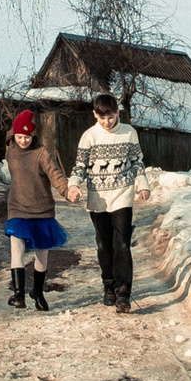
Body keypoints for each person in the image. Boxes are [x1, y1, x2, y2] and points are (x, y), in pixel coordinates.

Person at [67, 92, 149, 312]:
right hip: (98, 198)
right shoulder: (89, 137)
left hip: (122, 194)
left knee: (122, 242)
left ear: (117, 112)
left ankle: (124, 293)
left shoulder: (129, 133)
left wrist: (142, 184)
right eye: (102, 118)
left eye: (110, 117)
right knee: (104, 244)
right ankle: (109, 285)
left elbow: (137, 162)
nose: (107, 122)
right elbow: (80, 166)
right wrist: (73, 185)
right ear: (95, 114)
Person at [0, 108, 71, 311]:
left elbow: (56, 175)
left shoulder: (42, 154)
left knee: (42, 253)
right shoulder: (11, 152)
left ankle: (38, 291)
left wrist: (67, 191)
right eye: (20, 136)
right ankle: (19, 293)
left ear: (34, 135)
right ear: (14, 135)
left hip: (42, 211)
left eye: (28, 137)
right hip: (17, 209)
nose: (24, 141)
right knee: (17, 246)